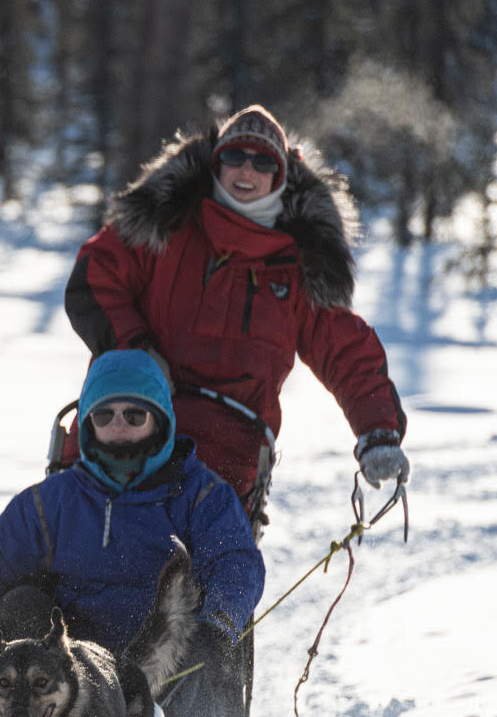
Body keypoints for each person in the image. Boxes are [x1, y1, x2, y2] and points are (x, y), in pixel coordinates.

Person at [64, 105, 411, 530]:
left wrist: (377, 430)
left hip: (231, 444)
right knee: (66, 521)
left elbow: (344, 349)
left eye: (263, 161)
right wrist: (136, 351)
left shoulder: (296, 264)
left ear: (279, 175)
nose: (247, 169)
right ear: (217, 163)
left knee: (190, 551)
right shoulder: (167, 226)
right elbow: (96, 279)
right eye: (235, 157)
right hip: (136, 411)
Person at [0, 350, 267, 717]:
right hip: (74, 661)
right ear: (89, 423)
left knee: (211, 639)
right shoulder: (54, 499)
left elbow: (236, 561)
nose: (120, 426)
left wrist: (222, 624)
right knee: (18, 607)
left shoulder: (200, 493)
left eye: (135, 415)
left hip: (169, 653)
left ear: (159, 420)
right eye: (106, 415)